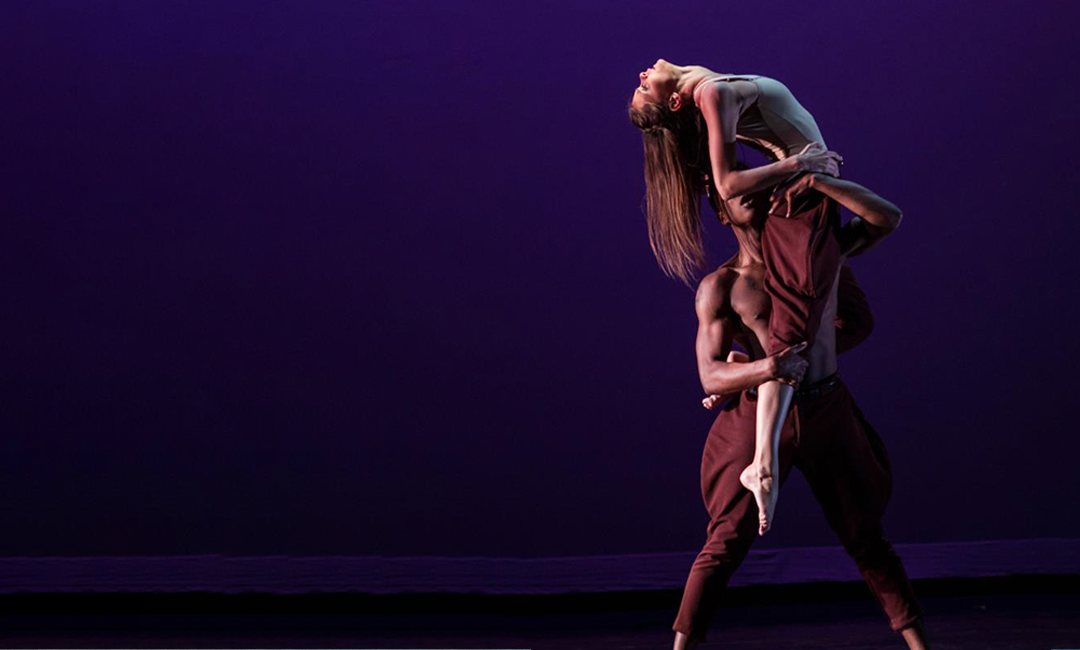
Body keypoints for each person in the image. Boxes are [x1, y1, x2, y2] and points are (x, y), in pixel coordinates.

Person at [670, 173, 929, 650]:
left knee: (864, 534)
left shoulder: (818, 257)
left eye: (758, 188)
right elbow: (709, 376)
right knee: (725, 542)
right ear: (721, 211)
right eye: (735, 194)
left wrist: (822, 181)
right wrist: (762, 367)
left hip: (825, 406)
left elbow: (885, 218)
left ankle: (918, 645)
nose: (750, 194)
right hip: (758, 419)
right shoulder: (722, 286)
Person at [629, 59, 845, 534]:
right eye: (644, 90)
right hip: (802, 193)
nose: (640, 75)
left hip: (809, 188)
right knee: (785, 338)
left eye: (639, 86)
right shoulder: (711, 95)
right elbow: (726, 184)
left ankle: (764, 442)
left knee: (829, 323)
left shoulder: (708, 87)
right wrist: (800, 164)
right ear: (675, 100)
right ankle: (762, 464)